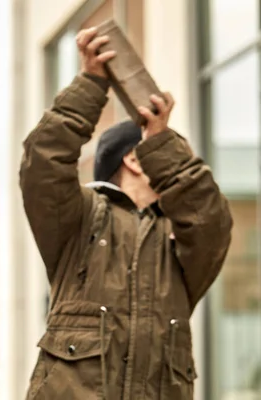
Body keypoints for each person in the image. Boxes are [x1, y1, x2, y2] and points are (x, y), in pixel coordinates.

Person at [19, 27, 232, 400]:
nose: (174, 162)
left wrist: (162, 144)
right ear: (134, 158)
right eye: (161, 148)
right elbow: (43, 160)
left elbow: (211, 220)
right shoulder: (80, 219)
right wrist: (91, 83)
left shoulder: (180, 243)